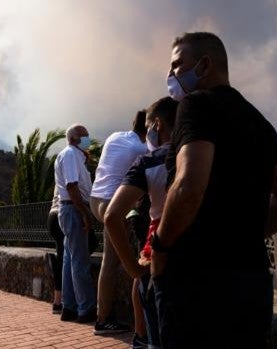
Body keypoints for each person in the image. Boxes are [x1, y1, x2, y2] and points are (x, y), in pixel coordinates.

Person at [152, 32, 277, 348]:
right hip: (251, 282)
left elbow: (188, 185)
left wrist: (161, 247)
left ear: (205, 65)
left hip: (197, 283)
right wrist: (247, 235)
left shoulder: (195, 105)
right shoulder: (255, 118)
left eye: (177, 65)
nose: (170, 76)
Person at [104, 96, 178, 349]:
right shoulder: (205, 155)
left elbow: (112, 216)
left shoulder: (148, 161)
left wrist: (134, 270)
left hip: (159, 259)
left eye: (147, 128)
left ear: (157, 125)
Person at [89, 111, 148, 335]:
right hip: (110, 205)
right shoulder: (141, 149)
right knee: (110, 263)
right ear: (151, 128)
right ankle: (103, 320)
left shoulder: (115, 136)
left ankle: (104, 317)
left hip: (96, 199)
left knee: (110, 260)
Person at [54, 124, 97, 323]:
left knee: (69, 259)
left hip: (68, 209)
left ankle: (69, 307)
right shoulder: (71, 154)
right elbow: (72, 186)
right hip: (73, 209)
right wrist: (85, 213)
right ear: (73, 138)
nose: (87, 138)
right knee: (80, 261)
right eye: (84, 135)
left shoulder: (73, 155)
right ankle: (86, 309)